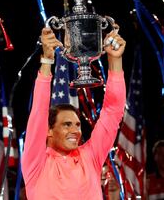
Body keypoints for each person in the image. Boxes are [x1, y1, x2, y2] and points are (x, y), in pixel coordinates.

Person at [21, 25, 126, 199]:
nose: (75, 131)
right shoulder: (36, 164)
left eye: (77, 125)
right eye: (66, 124)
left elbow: (113, 112)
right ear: (48, 130)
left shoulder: (90, 156)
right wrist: (47, 61)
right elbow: (39, 113)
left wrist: (115, 60)